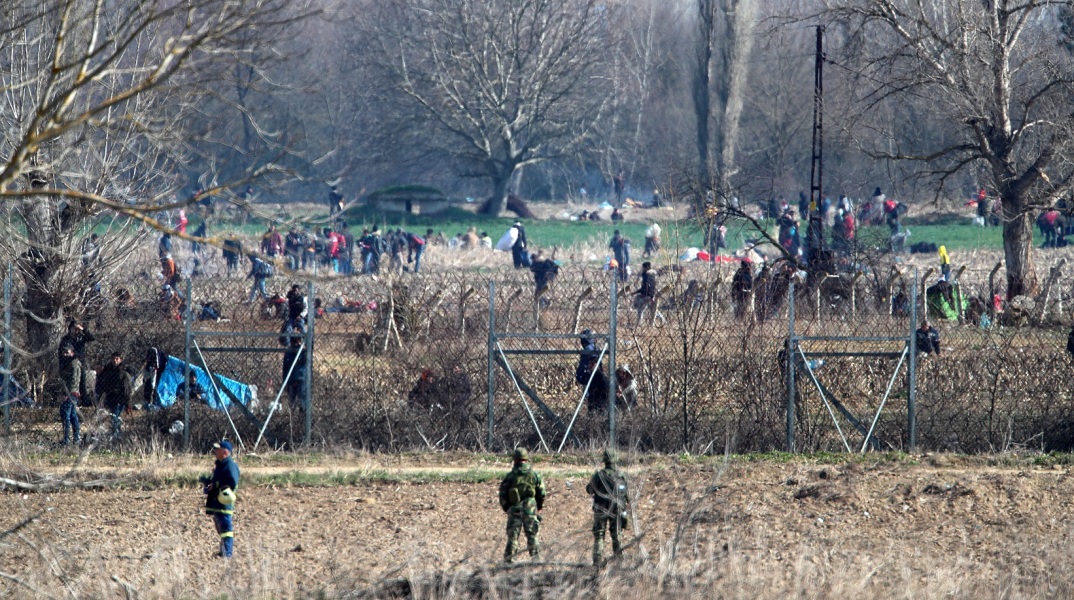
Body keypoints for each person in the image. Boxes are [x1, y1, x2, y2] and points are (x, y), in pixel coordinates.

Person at [499, 448, 545, 563]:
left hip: (514, 510)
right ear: (526, 459)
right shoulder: (534, 475)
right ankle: (536, 561)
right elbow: (541, 493)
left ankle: (509, 561)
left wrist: (507, 508)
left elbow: (502, 494)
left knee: (513, 538)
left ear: (515, 460)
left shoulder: (510, 476)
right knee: (532, 536)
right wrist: (538, 507)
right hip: (531, 510)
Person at [587, 449, 630, 566]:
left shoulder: (599, 475)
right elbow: (627, 495)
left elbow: (589, 489)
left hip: (601, 509)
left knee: (599, 535)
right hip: (618, 509)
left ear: (604, 460)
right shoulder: (621, 475)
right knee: (617, 535)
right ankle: (619, 562)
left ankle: (597, 561)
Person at [199, 440, 240, 558]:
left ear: (225, 452)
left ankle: (227, 554)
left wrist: (216, 485)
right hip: (217, 502)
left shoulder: (230, 465)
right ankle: (223, 551)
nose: (215, 451)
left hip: (224, 503)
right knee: (220, 527)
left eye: (218, 449)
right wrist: (208, 481)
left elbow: (232, 482)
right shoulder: (220, 465)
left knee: (226, 528)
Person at [95, 351, 133, 440]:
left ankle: (116, 434)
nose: (115, 360)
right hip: (110, 397)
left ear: (120, 360)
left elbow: (127, 389)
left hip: (120, 398)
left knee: (115, 416)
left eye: (117, 359)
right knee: (114, 416)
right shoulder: (108, 370)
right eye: (113, 358)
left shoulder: (123, 371)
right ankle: (117, 433)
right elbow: (102, 382)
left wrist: (127, 402)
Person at [59, 321, 95, 401]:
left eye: (76, 329)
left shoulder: (81, 337)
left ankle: (84, 400)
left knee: (82, 381)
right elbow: (62, 352)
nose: (75, 330)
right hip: (69, 363)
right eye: (73, 328)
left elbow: (92, 338)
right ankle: (69, 398)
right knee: (71, 382)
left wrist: (83, 329)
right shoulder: (66, 339)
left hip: (80, 362)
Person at [58, 344, 81, 446]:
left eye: (67, 352)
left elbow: (74, 380)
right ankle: (76, 438)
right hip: (69, 392)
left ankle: (67, 439)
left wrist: (67, 393)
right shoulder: (66, 363)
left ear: (72, 353)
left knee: (66, 415)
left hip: (71, 393)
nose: (65, 354)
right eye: (64, 352)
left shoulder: (74, 364)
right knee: (72, 415)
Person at [283, 335, 308, 411]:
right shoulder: (290, 353)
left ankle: (302, 417)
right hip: (294, 380)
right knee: (293, 404)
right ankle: (295, 417)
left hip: (299, 380)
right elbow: (285, 369)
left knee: (302, 403)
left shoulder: (303, 352)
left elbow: (285, 369)